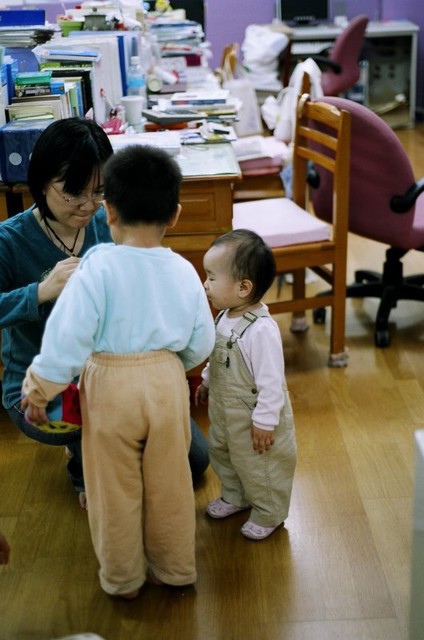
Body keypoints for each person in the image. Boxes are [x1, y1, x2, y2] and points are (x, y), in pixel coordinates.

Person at [21, 145, 216, 598]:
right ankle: (174, 569)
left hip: (110, 384)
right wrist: (173, 366)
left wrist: (40, 387)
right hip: (166, 383)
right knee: (170, 484)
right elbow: (202, 340)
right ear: (175, 215)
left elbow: (69, 335)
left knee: (113, 489)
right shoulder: (183, 270)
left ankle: (123, 578)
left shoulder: (97, 267)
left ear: (108, 212)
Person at [0, 117, 209, 509]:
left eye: (98, 192)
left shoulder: (110, 222)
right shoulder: (10, 240)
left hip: (119, 376)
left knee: (195, 460)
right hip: (44, 384)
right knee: (107, 448)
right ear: (41, 182)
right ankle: (84, 461)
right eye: (72, 193)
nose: (86, 206)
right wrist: (40, 292)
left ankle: (111, 447)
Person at [195, 229, 297, 541]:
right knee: (223, 454)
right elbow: (218, 359)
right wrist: (207, 380)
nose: (205, 284)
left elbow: (272, 384)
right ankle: (235, 495)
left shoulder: (261, 330)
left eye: (212, 277)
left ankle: (269, 511)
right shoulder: (224, 317)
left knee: (258, 465)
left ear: (243, 287)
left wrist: (265, 421)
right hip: (224, 411)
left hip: (253, 418)